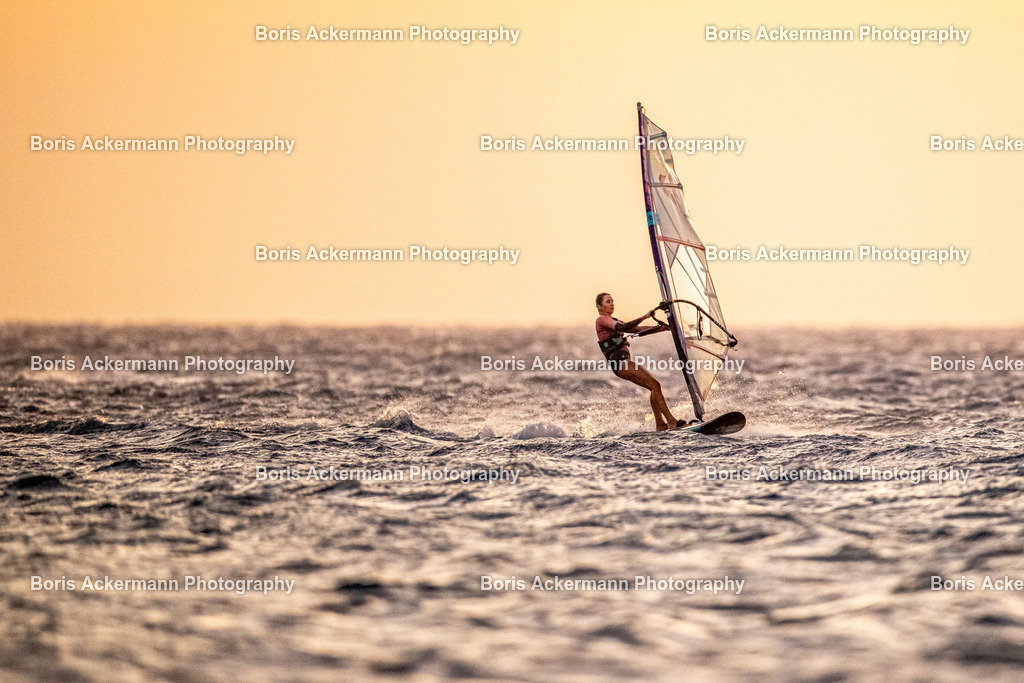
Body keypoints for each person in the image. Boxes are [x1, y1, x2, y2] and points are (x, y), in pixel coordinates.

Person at [595, 292, 677, 431]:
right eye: (608, 302)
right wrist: (644, 316)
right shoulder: (602, 320)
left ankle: (661, 425)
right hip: (619, 361)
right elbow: (623, 328)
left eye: (612, 301)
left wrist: (662, 328)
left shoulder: (613, 320)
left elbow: (636, 329)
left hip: (622, 362)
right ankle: (672, 422)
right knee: (655, 385)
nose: (612, 304)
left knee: (653, 387)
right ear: (599, 306)